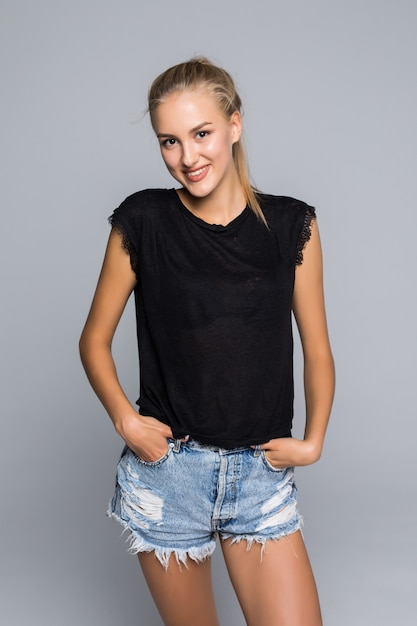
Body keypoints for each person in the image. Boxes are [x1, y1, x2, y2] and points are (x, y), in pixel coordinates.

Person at [79, 57, 335, 626]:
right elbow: (94, 339)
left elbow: (316, 348)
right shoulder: (141, 221)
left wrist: (313, 440)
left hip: (260, 479)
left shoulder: (293, 227)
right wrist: (126, 421)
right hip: (168, 474)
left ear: (234, 125)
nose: (188, 158)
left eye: (201, 134)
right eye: (169, 142)